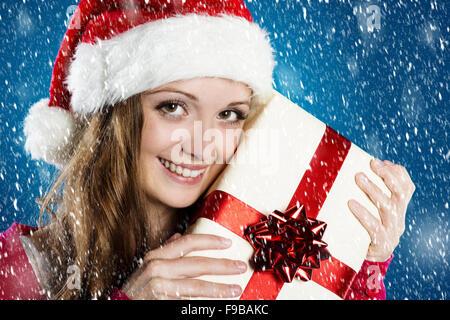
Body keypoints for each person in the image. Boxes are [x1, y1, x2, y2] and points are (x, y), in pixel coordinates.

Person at [0, 0, 415, 300]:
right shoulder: (17, 272)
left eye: (230, 114)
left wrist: (361, 264)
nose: (203, 143)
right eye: (174, 107)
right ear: (115, 118)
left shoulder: (247, 246)